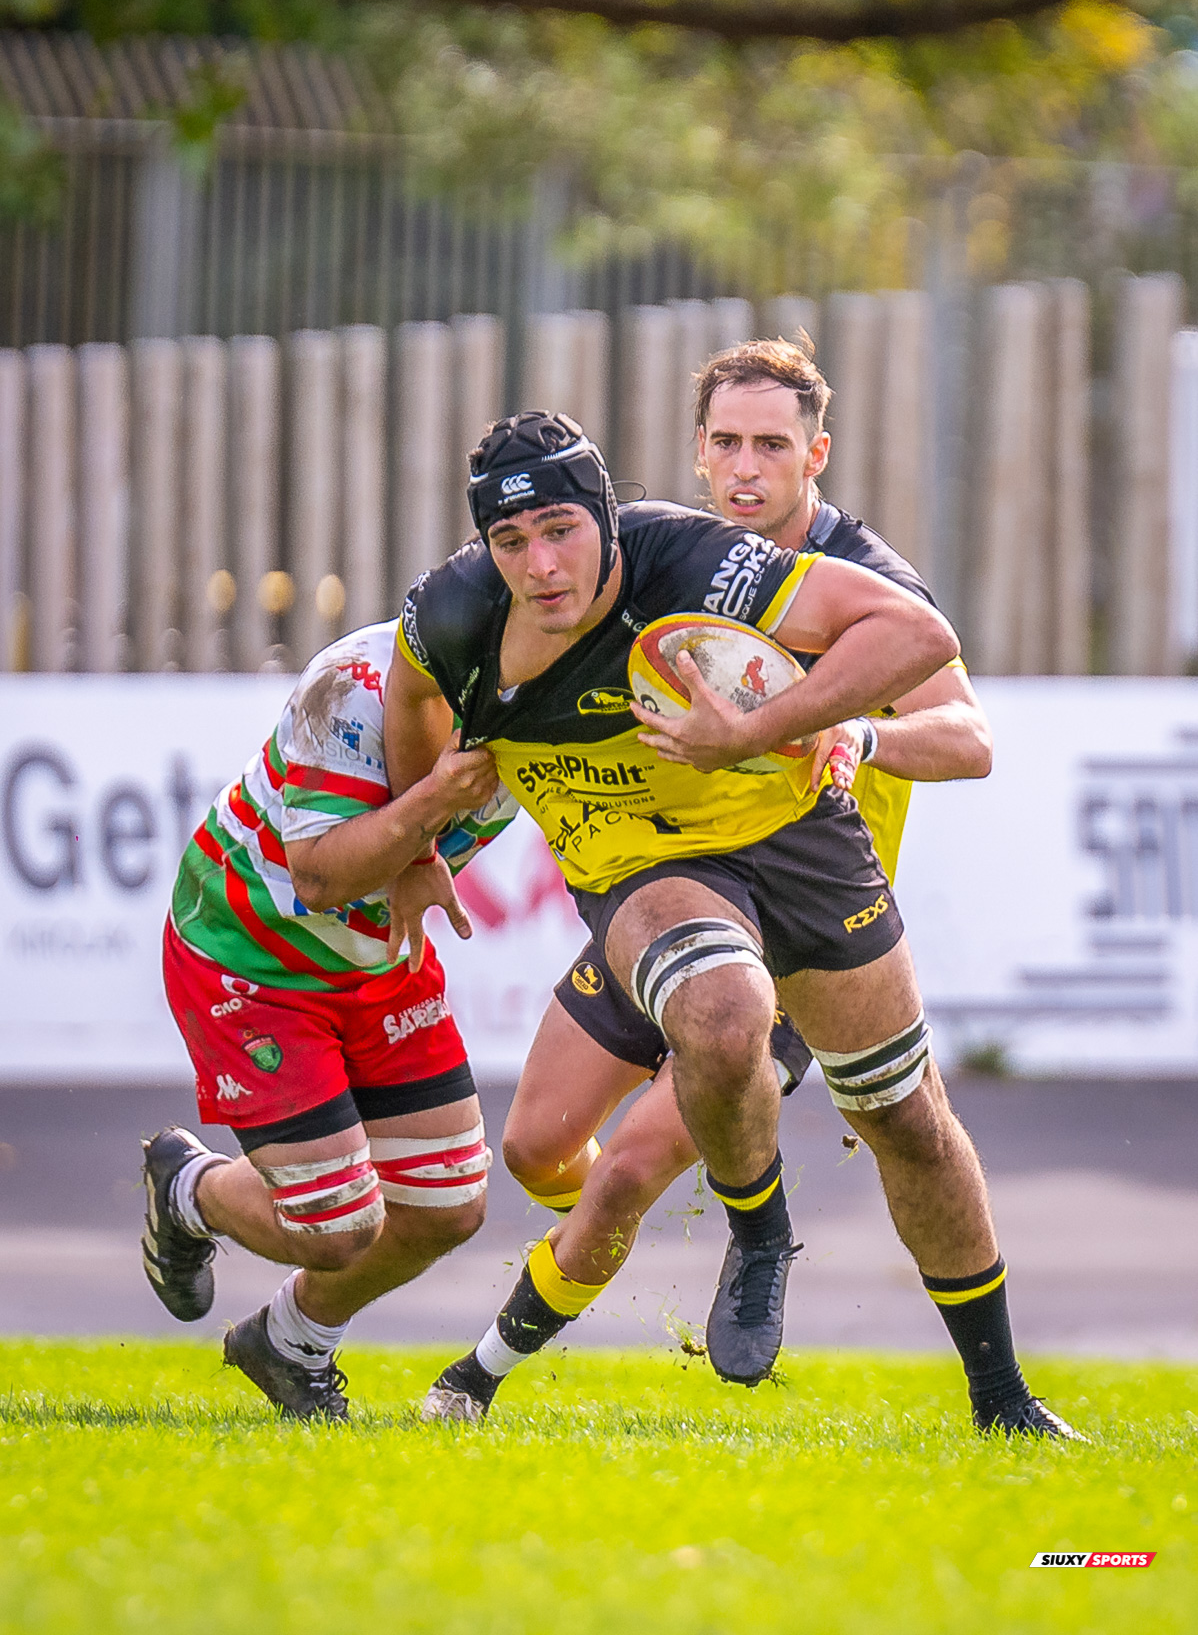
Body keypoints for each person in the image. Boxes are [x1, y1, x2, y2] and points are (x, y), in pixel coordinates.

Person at [420, 343, 1079, 1439]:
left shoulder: (855, 576)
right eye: (723, 442)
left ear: (815, 455)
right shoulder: (652, 561)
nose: (743, 467)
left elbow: (969, 737)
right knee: (539, 1146)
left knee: (652, 1153)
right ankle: (718, 1202)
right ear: (695, 452)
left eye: (771, 445)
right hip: (671, 877)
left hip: (809, 896)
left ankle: (491, 1369)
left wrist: (846, 729)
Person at [141, 616, 511, 1421]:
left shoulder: (562, 697)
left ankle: (289, 1341)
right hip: (250, 951)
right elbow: (315, 878)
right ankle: (189, 1190)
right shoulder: (354, 685)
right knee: (340, 1230)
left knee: (449, 1204)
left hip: (379, 956)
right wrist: (435, 808)